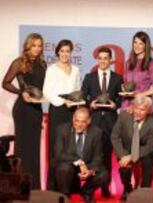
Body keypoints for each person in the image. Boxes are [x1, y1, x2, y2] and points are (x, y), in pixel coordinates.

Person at [2, 33, 46, 189]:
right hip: (22, 109)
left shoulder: (43, 64)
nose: (37, 49)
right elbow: (5, 83)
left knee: (34, 148)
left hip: (36, 108)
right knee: (22, 147)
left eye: (39, 45)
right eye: (34, 45)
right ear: (28, 46)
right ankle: (20, 186)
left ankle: (34, 186)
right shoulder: (19, 62)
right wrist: (21, 93)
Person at [81, 46, 123, 197]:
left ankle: (105, 186)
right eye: (100, 58)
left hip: (111, 121)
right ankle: (90, 188)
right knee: (93, 156)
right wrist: (89, 104)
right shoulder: (89, 77)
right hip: (94, 121)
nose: (103, 61)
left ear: (110, 60)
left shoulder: (118, 78)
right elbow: (83, 96)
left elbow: (121, 97)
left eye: (106, 58)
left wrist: (115, 105)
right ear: (97, 59)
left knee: (107, 156)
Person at [43, 39, 81, 189]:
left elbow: (77, 90)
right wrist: (62, 101)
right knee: (56, 147)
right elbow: (47, 91)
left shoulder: (76, 70)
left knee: (71, 147)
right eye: (62, 51)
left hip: (72, 111)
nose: (65, 54)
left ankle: (71, 185)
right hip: (58, 110)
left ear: (71, 53)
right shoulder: (51, 69)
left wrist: (76, 104)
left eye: (68, 51)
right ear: (57, 52)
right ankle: (53, 185)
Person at [54, 107, 108, 203]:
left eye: (83, 122)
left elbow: (98, 157)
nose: (79, 125)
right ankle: (65, 196)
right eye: (77, 121)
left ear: (88, 121)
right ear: (73, 119)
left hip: (87, 165)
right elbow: (59, 154)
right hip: (69, 163)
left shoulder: (97, 132)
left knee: (103, 174)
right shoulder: (62, 129)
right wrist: (79, 161)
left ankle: (86, 192)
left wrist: (90, 171)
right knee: (63, 168)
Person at [111, 95, 153, 201]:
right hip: (126, 149)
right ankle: (127, 189)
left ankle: (144, 191)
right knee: (124, 168)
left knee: (148, 163)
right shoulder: (124, 116)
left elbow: (150, 146)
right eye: (137, 108)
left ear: (148, 111)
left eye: (142, 109)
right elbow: (115, 136)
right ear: (133, 107)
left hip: (144, 151)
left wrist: (132, 156)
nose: (138, 112)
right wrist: (123, 155)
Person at [121, 31, 153, 110]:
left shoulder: (151, 64)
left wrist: (141, 95)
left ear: (146, 46)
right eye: (135, 42)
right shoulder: (128, 63)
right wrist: (123, 88)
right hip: (127, 105)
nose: (137, 46)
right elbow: (125, 84)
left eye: (141, 43)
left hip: (143, 105)